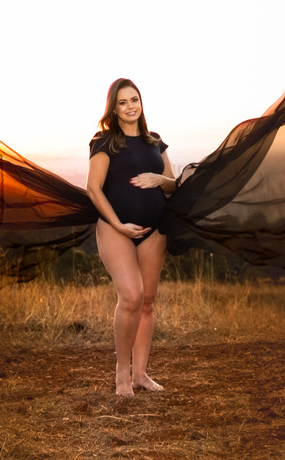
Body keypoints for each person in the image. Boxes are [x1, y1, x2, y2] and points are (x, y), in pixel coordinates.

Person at [86, 78, 176, 396]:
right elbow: (93, 189)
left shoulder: (155, 143)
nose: (129, 107)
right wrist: (118, 224)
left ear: (141, 102)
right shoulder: (105, 142)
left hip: (154, 231)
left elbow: (173, 185)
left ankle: (140, 375)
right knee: (131, 298)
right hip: (115, 230)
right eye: (122, 102)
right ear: (114, 108)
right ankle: (122, 374)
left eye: (134, 100)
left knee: (148, 302)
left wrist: (159, 178)